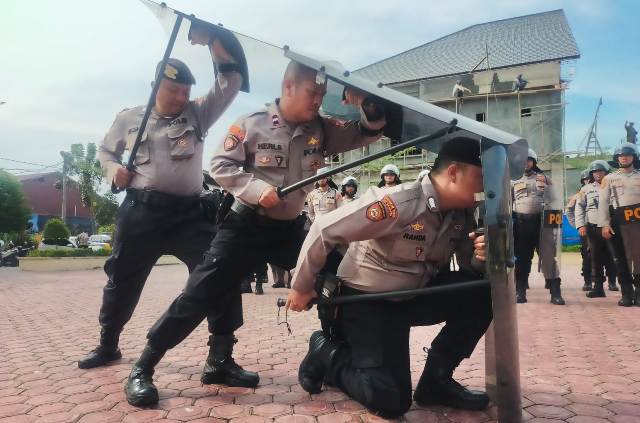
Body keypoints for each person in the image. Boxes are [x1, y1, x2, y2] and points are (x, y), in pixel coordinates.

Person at [122, 60, 387, 406]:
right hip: (245, 226)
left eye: (322, 93)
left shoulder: (322, 129)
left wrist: (366, 102)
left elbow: (368, 132)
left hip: (290, 231)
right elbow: (220, 165)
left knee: (338, 273)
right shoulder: (253, 124)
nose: (318, 100)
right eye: (313, 92)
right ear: (288, 87)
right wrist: (255, 188)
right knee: (199, 293)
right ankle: (144, 367)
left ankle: (331, 351)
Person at [286, 137, 492, 417]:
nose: (484, 186)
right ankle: (326, 353)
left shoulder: (461, 214)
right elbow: (324, 229)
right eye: (480, 176)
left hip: (413, 296)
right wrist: (301, 286)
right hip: (367, 300)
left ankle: (436, 383)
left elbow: (468, 270)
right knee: (390, 401)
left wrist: (481, 260)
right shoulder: (400, 202)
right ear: (454, 172)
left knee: (480, 294)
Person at [78, 29, 246, 370]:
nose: (182, 96)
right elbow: (105, 151)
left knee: (220, 273)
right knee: (122, 279)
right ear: (156, 86)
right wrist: (113, 171)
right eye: (174, 90)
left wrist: (213, 41)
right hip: (142, 212)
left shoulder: (199, 112)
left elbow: (230, 81)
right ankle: (108, 345)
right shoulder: (130, 118)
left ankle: (221, 358)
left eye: (186, 91)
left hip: (190, 215)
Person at [511, 149, 565, 305]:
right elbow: (507, 203)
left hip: (542, 224)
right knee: (522, 259)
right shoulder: (512, 181)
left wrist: (554, 224)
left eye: (529, 160)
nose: (526, 163)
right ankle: (520, 291)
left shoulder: (545, 179)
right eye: (523, 160)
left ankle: (556, 293)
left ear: (533, 162)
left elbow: (555, 200)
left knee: (548, 257)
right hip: (521, 224)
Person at [599, 143, 640, 306]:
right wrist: (604, 224)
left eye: (628, 155)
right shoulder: (609, 179)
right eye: (620, 155)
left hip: (638, 221)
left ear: (634, 157)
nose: (624, 157)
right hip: (618, 220)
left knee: (639, 257)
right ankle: (626, 294)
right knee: (621, 258)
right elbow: (603, 203)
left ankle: (639, 293)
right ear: (616, 159)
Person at [575, 160, 618, 297]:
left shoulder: (613, 185)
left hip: (610, 228)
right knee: (595, 258)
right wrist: (581, 225)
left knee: (614, 257)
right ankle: (598, 287)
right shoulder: (585, 189)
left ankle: (614, 283)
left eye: (600, 171)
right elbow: (579, 207)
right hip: (592, 229)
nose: (597, 174)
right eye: (594, 172)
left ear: (606, 172)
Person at [565, 170, 593, 291]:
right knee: (587, 256)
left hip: (602, 227)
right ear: (582, 182)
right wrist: (578, 225)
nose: (588, 182)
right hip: (586, 229)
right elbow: (569, 210)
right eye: (586, 180)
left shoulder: (602, 190)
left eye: (590, 179)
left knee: (608, 255)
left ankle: (612, 281)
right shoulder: (578, 195)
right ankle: (588, 281)